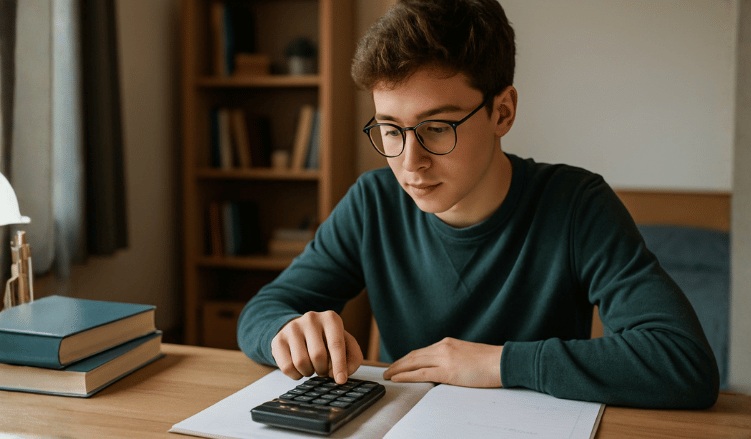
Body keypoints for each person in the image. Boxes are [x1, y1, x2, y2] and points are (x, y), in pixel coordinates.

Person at [238, 0, 719, 409]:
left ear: (502, 112)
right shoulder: (373, 202)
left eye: (436, 127)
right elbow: (262, 312)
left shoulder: (576, 205)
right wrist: (288, 329)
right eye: (390, 129)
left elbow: (681, 359)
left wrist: (499, 362)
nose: (410, 163)